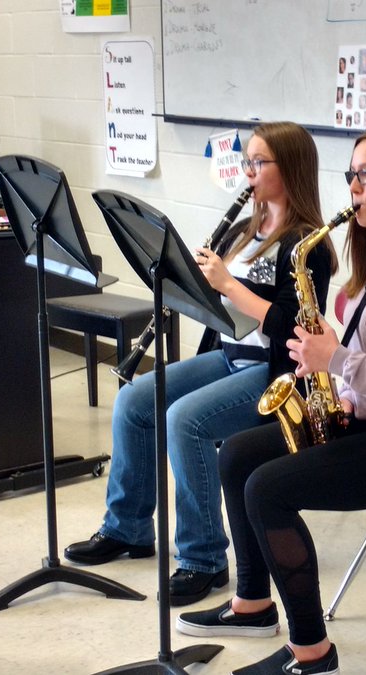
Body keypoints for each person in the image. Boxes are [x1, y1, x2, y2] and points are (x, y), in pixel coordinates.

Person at [176, 124, 366, 674]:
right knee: (238, 455)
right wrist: (339, 389)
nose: (353, 188)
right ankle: (252, 601)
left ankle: (311, 653)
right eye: (351, 175)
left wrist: (337, 361)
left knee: (268, 489)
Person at [64, 121, 338, 608]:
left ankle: (204, 557)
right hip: (229, 355)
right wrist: (190, 284)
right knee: (133, 400)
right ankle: (127, 528)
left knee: (184, 420)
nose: (248, 171)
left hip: (272, 371)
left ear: (289, 168)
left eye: (259, 162)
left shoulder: (307, 245)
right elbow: (216, 306)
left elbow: (293, 326)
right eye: (247, 161)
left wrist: (230, 286)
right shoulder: (243, 228)